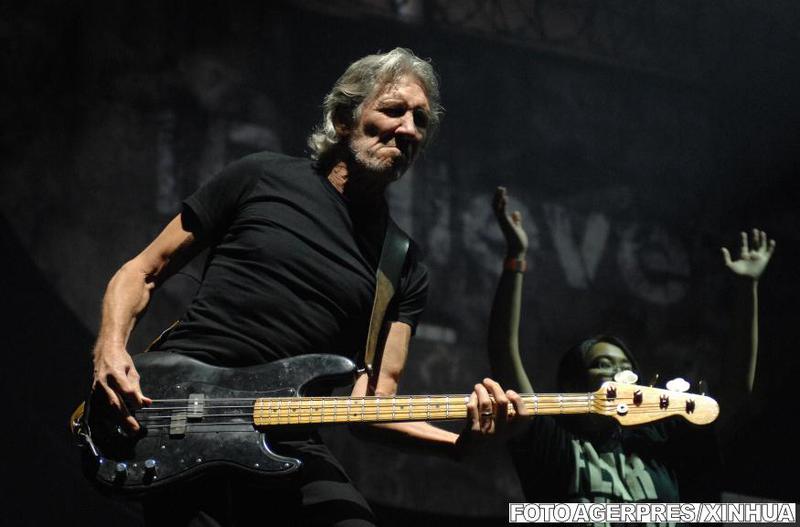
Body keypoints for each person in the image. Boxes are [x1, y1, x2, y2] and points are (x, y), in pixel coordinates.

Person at [90, 48, 499, 527]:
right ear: (345, 119)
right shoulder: (260, 176)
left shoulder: (403, 265)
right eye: (393, 110)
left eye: (420, 120)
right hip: (185, 409)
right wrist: (109, 350)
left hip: (285, 433)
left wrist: (457, 443)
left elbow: (371, 407)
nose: (408, 129)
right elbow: (143, 271)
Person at [487, 186, 775, 505]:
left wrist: (747, 287)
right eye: (602, 364)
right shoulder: (554, 442)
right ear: (571, 384)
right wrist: (516, 257)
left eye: (626, 367)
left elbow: (735, 393)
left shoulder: (661, 442)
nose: (620, 373)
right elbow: (503, 351)